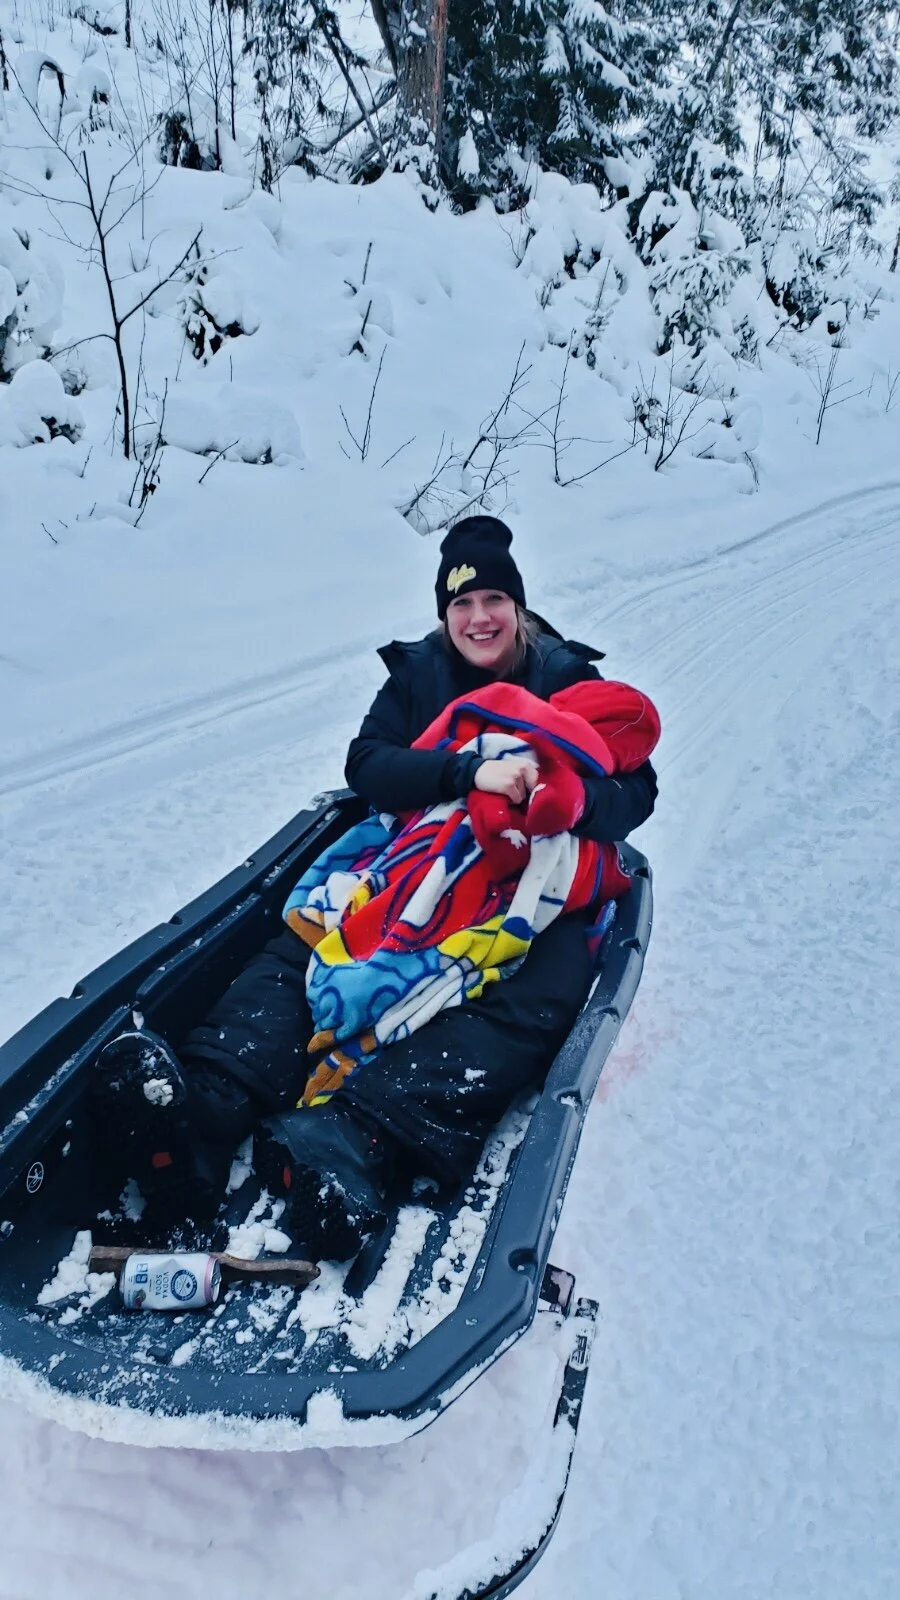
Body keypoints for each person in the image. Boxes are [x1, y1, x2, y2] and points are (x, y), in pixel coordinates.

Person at [93, 517, 657, 1259]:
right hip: (412, 857)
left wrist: (570, 802)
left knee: (532, 984)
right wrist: (467, 772)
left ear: (517, 605)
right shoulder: (419, 673)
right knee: (315, 940)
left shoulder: (564, 677)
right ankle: (203, 1113)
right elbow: (368, 765)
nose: (479, 618)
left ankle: (359, 1137)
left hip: (523, 871)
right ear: (443, 614)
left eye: (493, 599)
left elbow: (636, 790)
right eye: (461, 604)